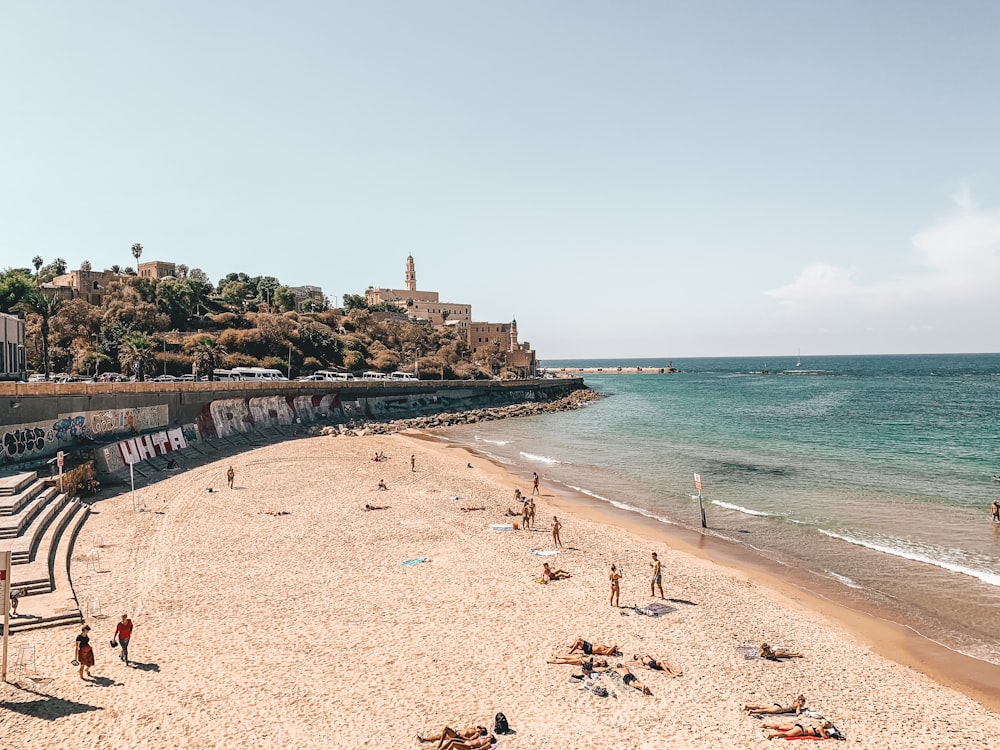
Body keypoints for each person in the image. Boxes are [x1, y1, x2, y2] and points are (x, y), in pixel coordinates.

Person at [762, 719, 836, 740]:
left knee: (780, 726)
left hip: (799, 725)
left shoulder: (817, 723)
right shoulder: (820, 728)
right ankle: (772, 735)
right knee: (786, 734)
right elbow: (824, 737)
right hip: (801, 731)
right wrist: (829, 735)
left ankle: (766, 725)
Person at [417, 726, 488, 744]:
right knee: (439, 736)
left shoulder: (477, 734)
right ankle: (424, 740)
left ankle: (440, 744)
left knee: (446, 729)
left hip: (458, 737)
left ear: (482, 731)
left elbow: (470, 739)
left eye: (482, 728)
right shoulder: (474, 728)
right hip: (457, 734)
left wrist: (461, 737)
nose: (480, 727)